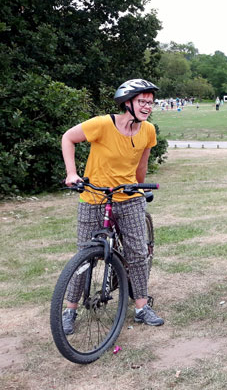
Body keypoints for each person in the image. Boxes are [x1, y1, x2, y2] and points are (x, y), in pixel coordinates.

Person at [61, 78, 164, 334]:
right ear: (127, 103)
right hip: (94, 197)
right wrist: (72, 174)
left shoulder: (148, 130)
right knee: (83, 257)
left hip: (128, 198)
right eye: (142, 101)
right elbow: (68, 138)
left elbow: (141, 163)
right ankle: (70, 309)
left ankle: (141, 307)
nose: (148, 106)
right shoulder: (102, 124)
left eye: (150, 102)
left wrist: (139, 188)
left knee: (138, 254)